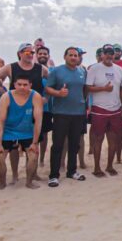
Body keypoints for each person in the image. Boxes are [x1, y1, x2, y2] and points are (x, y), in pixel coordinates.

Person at [45, 47, 88, 187]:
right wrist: (58, 93)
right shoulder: (56, 71)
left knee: (74, 145)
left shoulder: (83, 71)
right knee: (57, 145)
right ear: (65, 56)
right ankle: (53, 175)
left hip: (78, 113)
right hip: (61, 113)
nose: (74, 57)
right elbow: (48, 88)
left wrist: (84, 103)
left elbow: (84, 90)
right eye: (71, 55)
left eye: (76, 55)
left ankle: (72, 171)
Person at [0, 74, 43, 190]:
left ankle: (29, 182)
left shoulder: (35, 96)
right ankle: (2, 182)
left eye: (25, 85)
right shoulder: (6, 97)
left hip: (27, 131)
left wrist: (35, 143)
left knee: (33, 156)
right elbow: (0, 121)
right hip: (8, 131)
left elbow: (38, 121)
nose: (22, 87)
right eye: (19, 84)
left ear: (30, 85)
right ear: (14, 85)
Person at [85, 44, 122, 178]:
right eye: (106, 52)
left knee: (113, 139)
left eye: (111, 53)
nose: (109, 55)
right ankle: (97, 168)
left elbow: (121, 90)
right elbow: (87, 88)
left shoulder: (119, 69)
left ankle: (110, 166)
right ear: (102, 54)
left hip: (115, 109)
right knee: (98, 139)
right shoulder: (94, 69)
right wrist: (103, 89)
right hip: (99, 109)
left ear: (114, 55)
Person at [35, 46, 53, 167]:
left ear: (48, 56)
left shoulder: (52, 71)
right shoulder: (34, 70)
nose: (43, 55)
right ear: (36, 55)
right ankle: (33, 159)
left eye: (45, 54)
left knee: (45, 134)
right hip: (33, 107)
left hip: (47, 108)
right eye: (40, 53)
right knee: (34, 134)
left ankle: (41, 159)